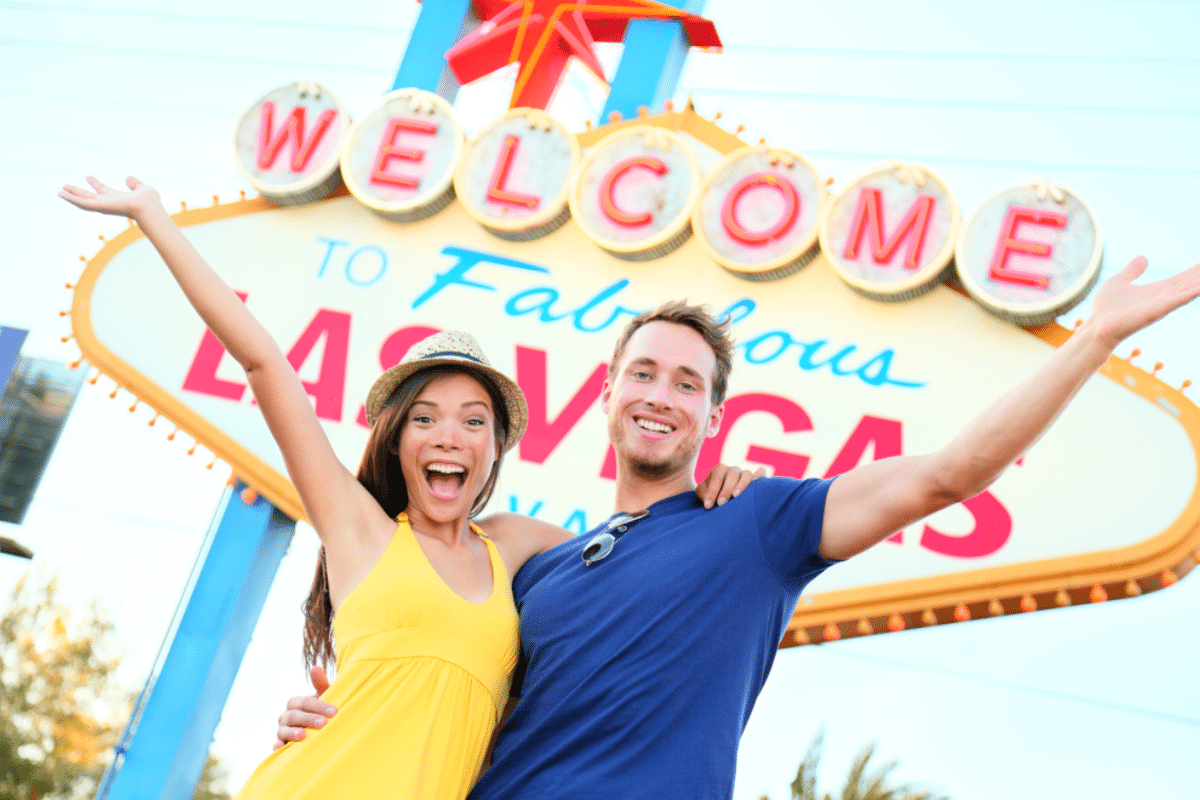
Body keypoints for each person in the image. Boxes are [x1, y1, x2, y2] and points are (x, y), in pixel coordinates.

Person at [280, 257, 1200, 799]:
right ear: (607, 396)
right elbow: (455, 684)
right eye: (644, 372)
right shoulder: (538, 568)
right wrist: (334, 718)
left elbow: (947, 474)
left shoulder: (760, 523)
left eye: (689, 383)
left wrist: (1091, 339)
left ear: (713, 416)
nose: (662, 395)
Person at [58, 175, 758, 800]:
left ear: (494, 449)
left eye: (472, 421)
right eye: (425, 418)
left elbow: (648, 569)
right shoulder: (360, 530)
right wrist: (154, 216)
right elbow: (264, 363)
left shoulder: (515, 546)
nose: (449, 436)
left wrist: (721, 497)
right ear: (397, 439)